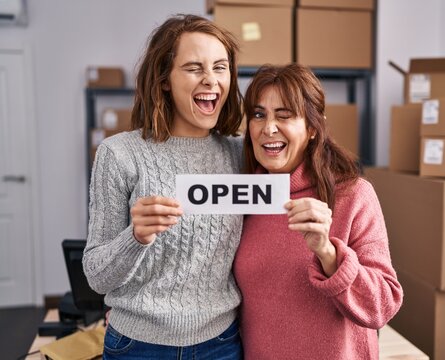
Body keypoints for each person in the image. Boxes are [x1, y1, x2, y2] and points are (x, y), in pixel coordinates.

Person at [83, 14, 245, 359]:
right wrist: (135, 237)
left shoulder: (240, 153)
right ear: (165, 79)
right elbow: (97, 277)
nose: (211, 80)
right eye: (193, 68)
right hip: (137, 347)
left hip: (220, 344)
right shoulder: (119, 154)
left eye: (220, 67)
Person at [233, 63, 404, 359]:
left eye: (284, 115)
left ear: (313, 128)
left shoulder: (353, 195)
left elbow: (383, 305)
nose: (268, 128)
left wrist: (328, 254)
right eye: (258, 114)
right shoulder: (242, 197)